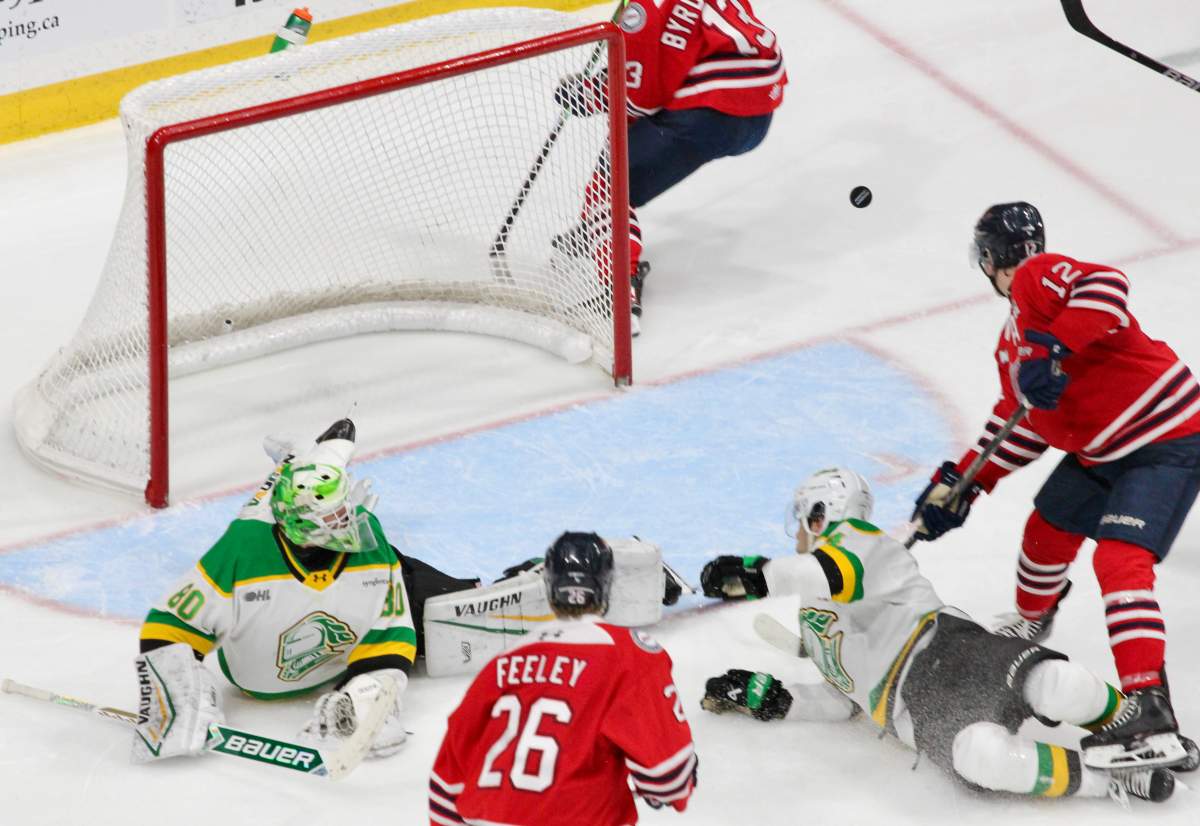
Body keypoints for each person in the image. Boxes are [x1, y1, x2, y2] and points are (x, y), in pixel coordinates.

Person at [909, 202, 1200, 770]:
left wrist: (1053, 344)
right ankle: (1031, 618)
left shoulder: (1040, 281)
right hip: (1101, 453)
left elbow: (1106, 285)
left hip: (1164, 442)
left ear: (992, 258)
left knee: (1119, 562)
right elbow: (1021, 425)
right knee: (1046, 531)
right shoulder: (1010, 341)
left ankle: (1151, 707)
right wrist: (966, 482)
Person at [700, 467, 1185, 804]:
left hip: (948, 649)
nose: (798, 533)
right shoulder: (813, 611)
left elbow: (828, 571)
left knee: (1055, 683)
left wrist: (758, 573)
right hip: (909, 709)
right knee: (983, 759)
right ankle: (1112, 780)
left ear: (821, 513)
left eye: (803, 519)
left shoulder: (859, 541)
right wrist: (775, 698)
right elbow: (845, 697)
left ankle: (1135, 722)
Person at [133, 418, 416, 763]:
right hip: (253, 671)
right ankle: (293, 459)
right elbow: (168, 625)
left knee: (403, 570)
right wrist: (178, 695)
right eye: (335, 521)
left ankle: (321, 453)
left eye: (345, 512)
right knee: (258, 513)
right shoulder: (244, 547)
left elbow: (390, 633)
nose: (350, 524)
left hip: (330, 650)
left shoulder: (364, 530)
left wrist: (372, 689)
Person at [429, 532, 696, 825]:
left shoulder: (501, 664)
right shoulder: (629, 653)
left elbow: (445, 788)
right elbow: (668, 779)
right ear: (606, 586)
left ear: (549, 587)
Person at [555, 0, 786, 333]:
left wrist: (592, 93)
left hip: (712, 112)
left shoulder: (644, 9)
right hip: (757, 110)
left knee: (611, 186)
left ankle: (620, 287)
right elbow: (679, 52)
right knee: (631, 166)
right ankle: (602, 229)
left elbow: (643, 99)